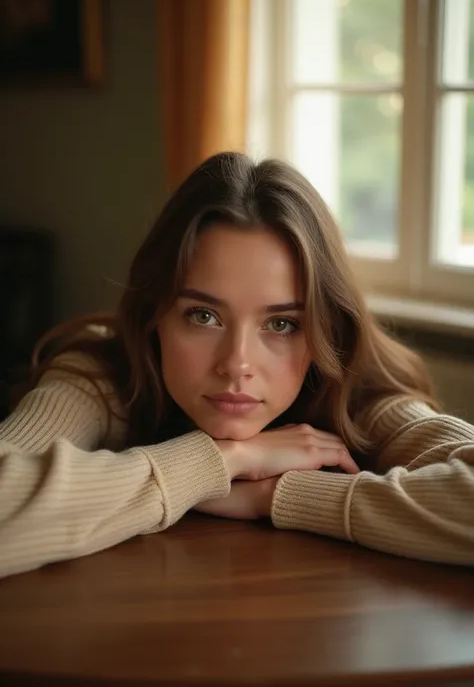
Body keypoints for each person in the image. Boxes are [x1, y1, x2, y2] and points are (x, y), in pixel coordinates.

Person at [1, 152, 473, 579]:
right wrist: (227, 460)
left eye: (283, 323)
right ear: (154, 318)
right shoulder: (103, 375)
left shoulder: (360, 395)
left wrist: (277, 496)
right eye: (203, 316)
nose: (237, 364)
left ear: (325, 331)